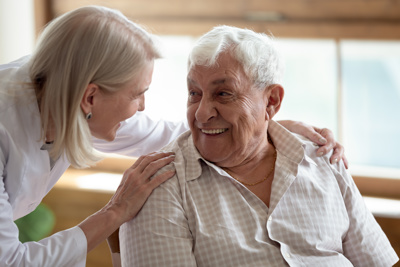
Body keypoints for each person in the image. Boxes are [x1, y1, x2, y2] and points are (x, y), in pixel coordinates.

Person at [0, 5, 345, 266]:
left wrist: (271, 124)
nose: (141, 107)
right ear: (90, 97)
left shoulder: (69, 99)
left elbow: (184, 129)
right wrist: (113, 214)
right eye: (137, 94)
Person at [119, 25, 399, 266]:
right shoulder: (160, 184)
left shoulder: (323, 158)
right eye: (194, 93)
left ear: (272, 101)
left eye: (223, 94)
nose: (202, 113)